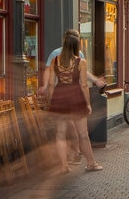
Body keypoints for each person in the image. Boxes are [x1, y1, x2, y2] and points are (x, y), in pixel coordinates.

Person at [46, 33, 102, 173]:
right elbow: (83, 85)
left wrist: (54, 101)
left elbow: (51, 84)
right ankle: (91, 163)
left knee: (60, 134)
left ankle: (64, 166)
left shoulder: (55, 60)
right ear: (77, 46)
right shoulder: (80, 62)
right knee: (83, 133)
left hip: (60, 98)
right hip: (76, 98)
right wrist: (88, 104)